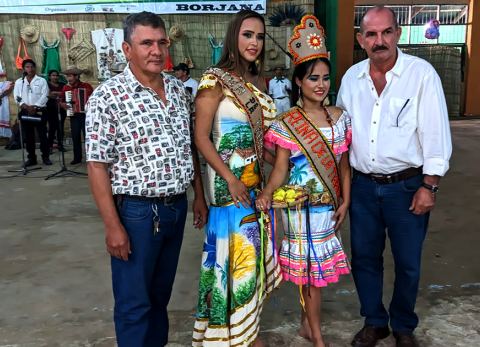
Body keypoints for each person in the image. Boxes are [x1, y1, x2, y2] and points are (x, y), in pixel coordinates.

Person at [85, 11, 208, 347]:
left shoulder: (176, 88)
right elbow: (97, 165)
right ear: (127, 49)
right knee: (134, 303)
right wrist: (113, 226)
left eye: (161, 42)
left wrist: (199, 194)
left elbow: (188, 146)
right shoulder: (108, 97)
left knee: (159, 297)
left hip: (175, 208)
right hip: (137, 214)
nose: (156, 50)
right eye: (146, 43)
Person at [336, 6, 452, 347]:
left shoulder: (422, 75)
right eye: (371, 34)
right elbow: (341, 135)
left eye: (386, 32)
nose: (379, 41)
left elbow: (436, 134)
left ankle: (403, 325)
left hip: (407, 187)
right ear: (360, 39)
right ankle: (375, 321)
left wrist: (429, 185)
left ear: (398, 33)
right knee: (365, 259)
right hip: (362, 187)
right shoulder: (351, 79)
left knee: (407, 261)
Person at [257, 15, 351, 347]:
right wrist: (268, 192)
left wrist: (346, 201)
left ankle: (305, 325)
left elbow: (344, 166)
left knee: (317, 275)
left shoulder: (339, 118)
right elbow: (280, 168)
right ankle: (318, 335)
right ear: (299, 81)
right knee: (309, 273)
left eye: (325, 78)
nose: (321, 85)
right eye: (313, 78)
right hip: (298, 207)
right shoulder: (287, 123)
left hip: (328, 207)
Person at [192, 9, 281, 347]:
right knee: (230, 267)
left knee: (249, 268)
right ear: (233, 37)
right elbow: (201, 137)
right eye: (247, 35)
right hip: (228, 190)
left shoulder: (258, 84)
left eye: (259, 36)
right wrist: (230, 178)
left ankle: (246, 334)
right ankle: (227, 338)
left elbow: (266, 147)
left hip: (255, 188)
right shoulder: (215, 79)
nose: (254, 42)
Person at [13, 59, 51, 166]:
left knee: (43, 135)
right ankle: (31, 158)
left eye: (32, 67)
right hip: (25, 112)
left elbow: (45, 95)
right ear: (24, 69)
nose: (30, 69)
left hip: (39, 111)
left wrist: (35, 106)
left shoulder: (41, 81)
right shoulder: (20, 82)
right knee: (28, 137)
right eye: (27, 67)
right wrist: (25, 106)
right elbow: (17, 96)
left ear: (35, 68)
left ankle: (46, 157)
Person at [60, 66, 93, 165]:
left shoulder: (86, 86)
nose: (68, 78)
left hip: (86, 115)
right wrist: (63, 105)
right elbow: (61, 100)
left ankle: (90, 158)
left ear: (77, 76)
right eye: (67, 76)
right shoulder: (66, 88)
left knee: (88, 137)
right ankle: (77, 157)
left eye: (70, 76)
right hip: (73, 115)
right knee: (75, 136)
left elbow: (93, 99)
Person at [46, 69, 66, 153]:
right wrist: (58, 94)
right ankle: (49, 146)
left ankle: (60, 145)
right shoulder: (46, 84)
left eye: (56, 75)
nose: (55, 77)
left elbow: (65, 93)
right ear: (49, 76)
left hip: (61, 108)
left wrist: (55, 93)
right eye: (53, 75)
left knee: (60, 128)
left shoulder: (62, 84)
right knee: (52, 128)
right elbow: (48, 94)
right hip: (51, 109)